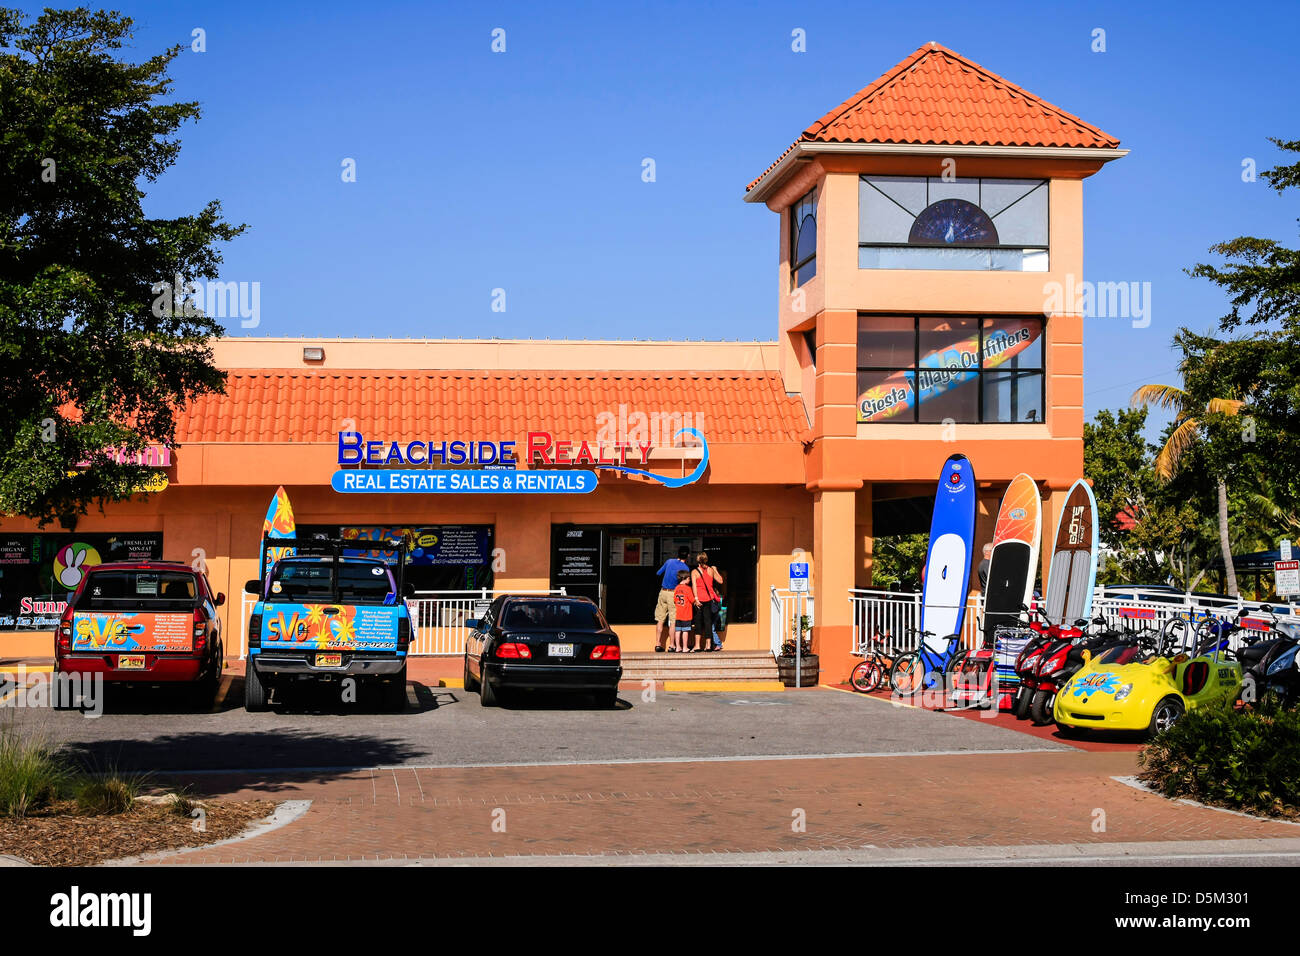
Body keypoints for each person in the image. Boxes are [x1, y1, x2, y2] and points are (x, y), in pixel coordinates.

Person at [653, 546, 692, 652]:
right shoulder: (685, 568)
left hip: (663, 592)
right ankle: (671, 645)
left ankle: (658, 644)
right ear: (688, 556)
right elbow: (683, 582)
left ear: (678, 553)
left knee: (660, 620)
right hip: (673, 593)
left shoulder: (669, 561)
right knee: (673, 621)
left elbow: (658, 573)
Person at [690, 551, 723, 652]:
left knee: (698, 622)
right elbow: (721, 581)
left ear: (697, 560)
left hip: (699, 600)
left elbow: (694, 587)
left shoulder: (694, 572)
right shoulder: (710, 570)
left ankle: (697, 645)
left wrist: (695, 599)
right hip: (709, 599)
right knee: (708, 622)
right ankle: (708, 645)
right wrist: (715, 570)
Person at [671, 569, 694, 653]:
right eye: (689, 578)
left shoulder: (676, 588)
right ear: (686, 578)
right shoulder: (687, 588)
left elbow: (674, 599)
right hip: (686, 614)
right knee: (685, 631)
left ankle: (678, 647)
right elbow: (692, 600)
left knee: (678, 631)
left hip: (678, 614)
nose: (690, 580)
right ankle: (685, 647)